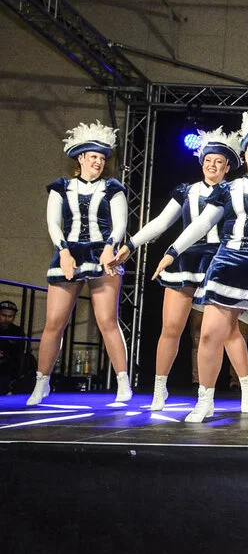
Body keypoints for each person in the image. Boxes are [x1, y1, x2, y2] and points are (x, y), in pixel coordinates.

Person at [153, 108, 248, 424]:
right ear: (245, 152)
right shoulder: (227, 189)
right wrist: (172, 251)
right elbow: (200, 224)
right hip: (228, 264)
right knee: (210, 335)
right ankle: (205, 401)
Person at [112, 128, 248, 411]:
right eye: (208, 160)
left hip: (219, 261)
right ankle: (159, 389)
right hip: (185, 261)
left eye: (219, 162)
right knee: (171, 328)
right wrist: (131, 244)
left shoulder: (233, 192)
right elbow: (161, 222)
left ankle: (247, 390)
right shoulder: (186, 191)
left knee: (229, 331)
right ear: (201, 163)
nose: (212, 166)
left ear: (227, 167)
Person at [28, 121, 132, 406]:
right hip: (70, 252)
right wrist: (63, 251)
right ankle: (41, 382)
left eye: (102, 158)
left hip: (102, 254)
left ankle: (123, 382)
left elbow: (120, 225)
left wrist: (109, 248)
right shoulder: (61, 187)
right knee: (54, 323)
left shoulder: (113, 188)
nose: (98, 162)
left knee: (107, 320)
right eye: (93, 157)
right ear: (81, 158)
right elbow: (53, 223)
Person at [0, 300, 25, 395]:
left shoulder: (17, 331)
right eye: (3, 315)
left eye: (10, 316)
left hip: (8, 371)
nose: (7, 319)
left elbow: (20, 354)